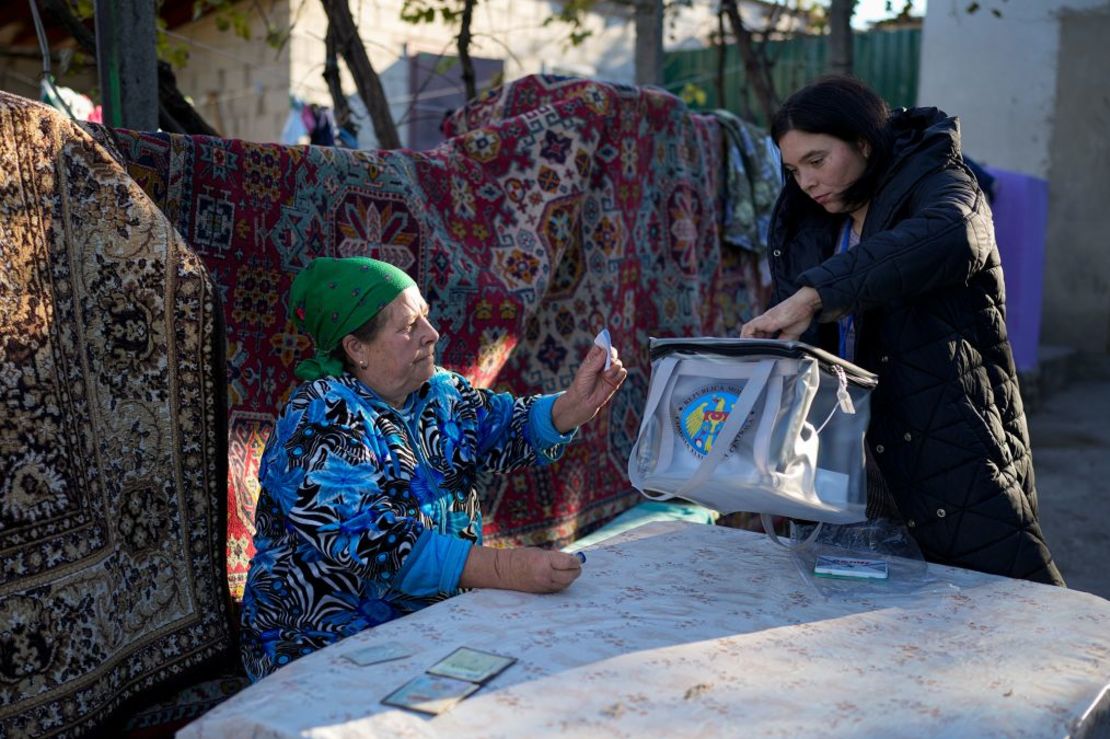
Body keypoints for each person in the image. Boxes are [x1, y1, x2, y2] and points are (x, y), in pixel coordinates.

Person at [741, 76, 1064, 586]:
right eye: (793, 169)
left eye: (817, 161)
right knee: (848, 629)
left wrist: (814, 295)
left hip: (943, 448)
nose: (805, 181)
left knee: (997, 615)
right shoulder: (808, 220)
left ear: (863, 143)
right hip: (842, 465)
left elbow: (952, 236)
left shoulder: (942, 184)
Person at [240, 256, 628, 680]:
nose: (432, 334)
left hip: (427, 622)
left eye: (425, 316)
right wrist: (507, 569)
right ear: (356, 348)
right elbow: (377, 544)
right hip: (324, 641)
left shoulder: (437, 391)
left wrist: (574, 405)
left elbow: (504, 427)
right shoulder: (318, 419)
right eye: (409, 327)